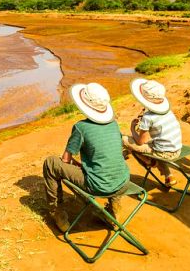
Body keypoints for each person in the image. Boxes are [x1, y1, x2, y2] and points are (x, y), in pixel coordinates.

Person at [42, 82, 130, 232]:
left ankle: (57, 212)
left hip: (98, 186)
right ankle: (113, 210)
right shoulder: (114, 124)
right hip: (123, 183)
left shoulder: (81, 127)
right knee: (111, 164)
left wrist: (75, 163)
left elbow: (65, 160)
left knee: (51, 163)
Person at [122, 78, 183, 188]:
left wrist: (132, 128)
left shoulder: (148, 117)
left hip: (163, 153)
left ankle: (152, 162)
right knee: (155, 144)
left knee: (124, 140)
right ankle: (168, 176)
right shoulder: (167, 110)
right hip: (177, 149)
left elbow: (141, 142)